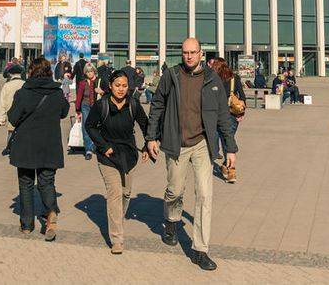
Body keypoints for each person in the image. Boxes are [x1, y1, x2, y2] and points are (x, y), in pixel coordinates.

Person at [146, 38, 236, 272]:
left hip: (202, 145)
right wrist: (151, 137)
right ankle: (171, 220)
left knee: (205, 196)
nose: (188, 56)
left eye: (193, 52)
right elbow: (157, 105)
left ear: (201, 53)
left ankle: (200, 249)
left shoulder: (212, 79)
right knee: (175, 190)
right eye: (185, 52)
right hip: (176, 143)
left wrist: (230, 148)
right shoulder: (172, 75)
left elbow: (223, 116)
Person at [84, 69, 149, 254]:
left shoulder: (133, 105)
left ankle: (117, 219)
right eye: (117, 85)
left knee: (126, 193)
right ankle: (117, 239)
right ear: (110, 86)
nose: (121, 89)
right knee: (114, 193)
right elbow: (90, 126)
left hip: (128, 155)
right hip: (108, 156)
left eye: (124, 86)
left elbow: (145, 125)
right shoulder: (101, 105)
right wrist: (104, 146)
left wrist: (147, 146)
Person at [7, 57, 70, 240]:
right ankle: (50, 214)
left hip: (26, 145)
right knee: (46, 182)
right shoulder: (56, 92)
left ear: (31, 72)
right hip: (49, 145)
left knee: (26, 183)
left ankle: (27, 225)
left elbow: (13, 118)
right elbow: (64, 111)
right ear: (49, 72)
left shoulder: (23, 92)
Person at [210, 57, 245, 183]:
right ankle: (228, 168)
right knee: (228, 141)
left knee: (223, 141)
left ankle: (230, 169)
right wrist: (241, 113)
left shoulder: (213, 78)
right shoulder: (235, 78)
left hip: (216, 115)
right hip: (232, 115)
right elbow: (242, 95)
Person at [0, 64, 25, 155]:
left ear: (10, 74)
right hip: (23, 113)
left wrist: (2, 118)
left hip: (11, 112)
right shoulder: (25, 84)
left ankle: (9, 148)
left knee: (10, 132)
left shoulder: (7, 85)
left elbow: (2, 103)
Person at [75, 63, 101, 160]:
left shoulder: (99, 81)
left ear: (94, 71)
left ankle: (96, 146)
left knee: (97, 127)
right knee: (85, 127)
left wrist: (101, 91)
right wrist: (78, 110)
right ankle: (88, 149)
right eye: (87, 72)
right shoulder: (83, 83)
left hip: (97, 107)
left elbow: (108, 92)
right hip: (85, 106)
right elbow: (79, 97)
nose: (89, 73)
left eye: (91, 71)